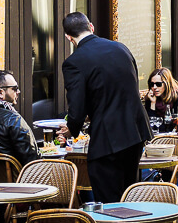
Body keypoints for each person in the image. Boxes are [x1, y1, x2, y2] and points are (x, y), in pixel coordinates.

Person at [61, 12, 152, 204]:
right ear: (91, 27)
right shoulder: (121, 48)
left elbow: (76, 108)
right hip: (135, 132)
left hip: (108, 137)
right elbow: (127, 88)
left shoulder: (74, 62)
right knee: (129, 193)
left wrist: (72, 129)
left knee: (108, 201)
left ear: (69, 37)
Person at [143, 67, 178, 135]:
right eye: (152, 84)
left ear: (166, 84)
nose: (154, 87)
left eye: (158, 84)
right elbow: (151, 126)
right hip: (157, 138)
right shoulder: (150, 98)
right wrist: (153, 103)